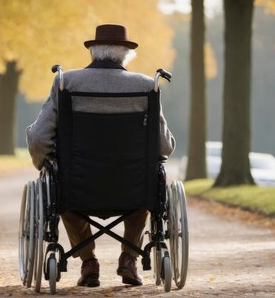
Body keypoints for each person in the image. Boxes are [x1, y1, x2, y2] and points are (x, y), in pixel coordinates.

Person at [25, 24, 175, 287]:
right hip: (132, 188)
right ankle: (129, 259)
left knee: (60, 189)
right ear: (126, 54)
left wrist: (44, 164)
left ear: (93, 52)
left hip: (78, 187)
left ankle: (88, 262)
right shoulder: (146, 86)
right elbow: (162, 146)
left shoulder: (66, 83)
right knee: (146, 183)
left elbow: (39, 138)